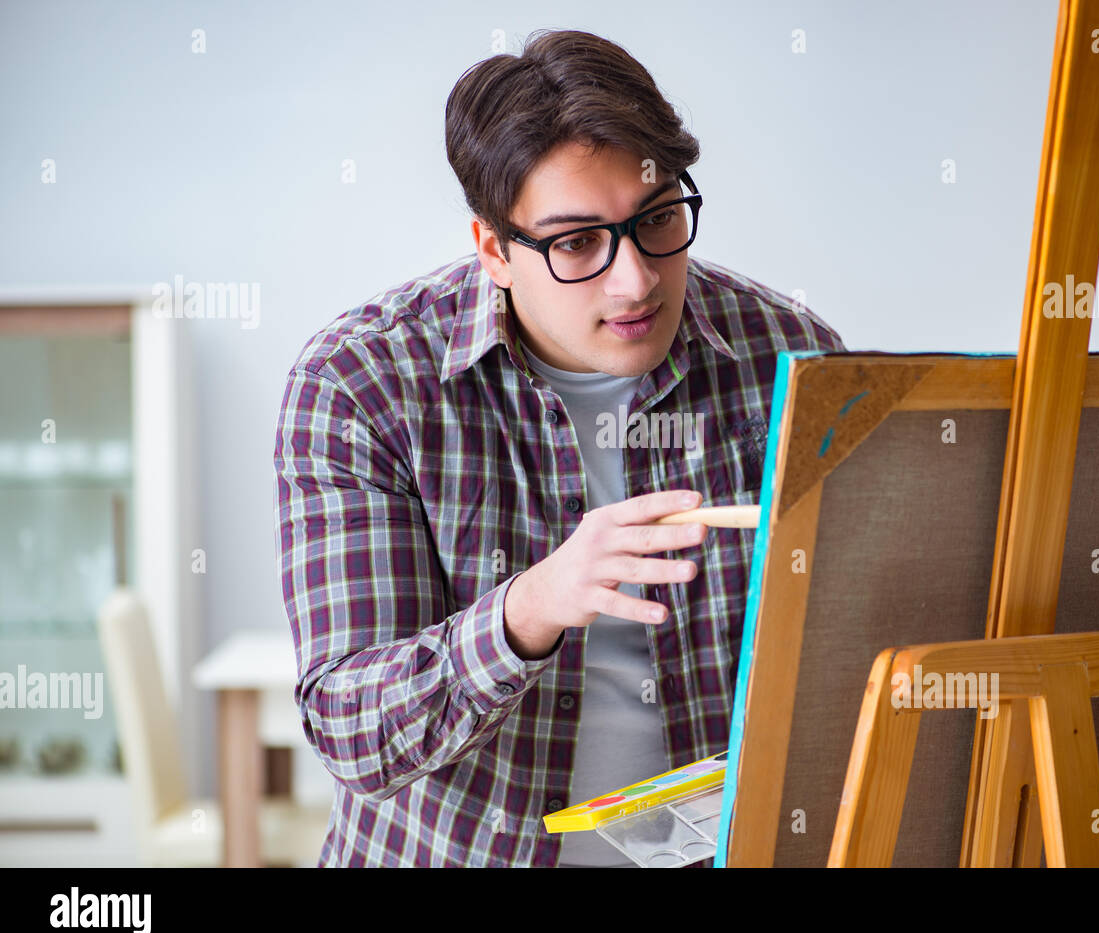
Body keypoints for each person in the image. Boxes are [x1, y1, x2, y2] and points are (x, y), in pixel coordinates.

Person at [273, 27, 845, 867]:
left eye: (655, 219)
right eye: (578, 242)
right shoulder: (360, 383)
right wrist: (529, 609)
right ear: (495, 250)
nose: (636, 279)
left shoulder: (791, 358)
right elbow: (353, 731)